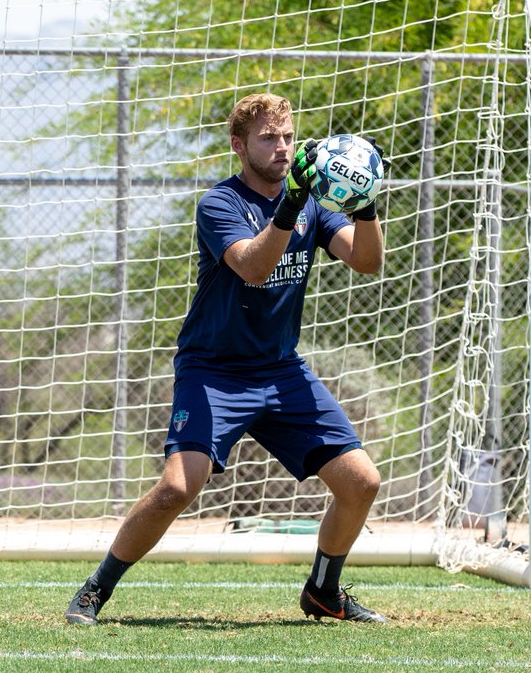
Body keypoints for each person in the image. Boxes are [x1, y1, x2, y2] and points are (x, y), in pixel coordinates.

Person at [65, 93, 388, 625]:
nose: (282, 147)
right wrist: (291, 204)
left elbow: (367, 260)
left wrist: (366, 201)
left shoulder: (312, 204)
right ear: (239, 145)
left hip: (281, 371)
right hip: (213, 372)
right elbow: (255, 268)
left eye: (288, 137)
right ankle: (95, 589)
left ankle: (323, 591)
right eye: (268, 138)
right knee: (177, 487)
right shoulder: (220, 204)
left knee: (361, 482)